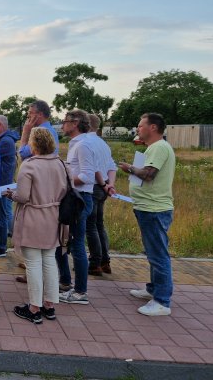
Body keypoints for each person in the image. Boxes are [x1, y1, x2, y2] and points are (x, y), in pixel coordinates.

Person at [6, 127, 68, 323]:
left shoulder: (29, 165)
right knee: (49, 259)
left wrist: (11, 194)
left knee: (33, 263)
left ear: (33, 144)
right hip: (54, 216)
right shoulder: (60, 163)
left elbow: (23, 196)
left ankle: (34, 308)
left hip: (33, 216)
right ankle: (50, 305)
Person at [118, 113, 176, 316]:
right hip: (148, 207)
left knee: (158, 255)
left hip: (154, 209)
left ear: (153, 127)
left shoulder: (159, 147)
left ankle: (162, 301)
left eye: (140, 125)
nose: (137, 129)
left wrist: (130, 168)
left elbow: (149, 174)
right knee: (153, 252)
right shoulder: (154, 147)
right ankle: (153, 289)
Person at [57, 109, 95, 305]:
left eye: (65, 121)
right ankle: (71, 285)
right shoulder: (78, 144)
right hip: (78, 197)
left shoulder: (83, 145)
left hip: (80, 198)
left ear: (76, 122)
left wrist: (66, 180)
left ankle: (80, 291)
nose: (63, 125)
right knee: (71, 243)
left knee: (78, 245)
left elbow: (87, 175)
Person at [85, 114, 117, 276]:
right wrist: (109, 184)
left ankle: (95, 263)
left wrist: (103, 184)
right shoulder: (103, 143)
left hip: (93, 187)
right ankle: (105, 261)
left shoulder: (87, 142)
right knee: (99, 224)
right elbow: (112, 166)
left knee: (90, 226)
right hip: (103, 187)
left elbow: (95, 167)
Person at [0, 115, 19, 258]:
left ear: (1, 125)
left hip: (1, 185)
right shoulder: (5, 140)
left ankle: (0, 247)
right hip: (3, 183)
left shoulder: (5, 141)